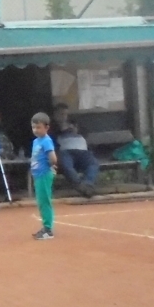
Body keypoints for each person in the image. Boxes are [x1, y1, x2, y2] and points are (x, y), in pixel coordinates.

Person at [53, 103, 100, 197]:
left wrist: (76, 130)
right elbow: (50, 139)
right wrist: (60, 130)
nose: (64, 117)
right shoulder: (51, 125)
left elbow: (86, 133)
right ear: (55, 115)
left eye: (66, 114)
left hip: (82, 151)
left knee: (93, 163)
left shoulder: (74, 123)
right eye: (61, 114)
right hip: (66, 151)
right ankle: (80, 185)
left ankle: (88, 183)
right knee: (67, 166)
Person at [30, 112, 56, 240]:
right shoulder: (36, 141)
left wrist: (50, 166)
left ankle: (48, 229)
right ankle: (45, 227)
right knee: (41, 201)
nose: (35, 130)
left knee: (44, 201)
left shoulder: (46, 141)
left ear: (46, 128)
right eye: (34, 127)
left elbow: (53, 158)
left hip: (44, 174)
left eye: (38, 127)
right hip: (38, 175)